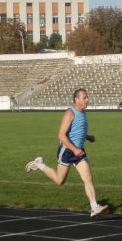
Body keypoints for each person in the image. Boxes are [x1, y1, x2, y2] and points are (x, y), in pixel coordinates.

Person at [25, 88, 109, 218]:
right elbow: (61, 135)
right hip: (67, 151)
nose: (87, 100)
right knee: (60, 181)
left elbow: (77, 130)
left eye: (87, 97)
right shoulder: (70, 113)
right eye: (85, 97)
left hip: (79, 151)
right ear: (77, 99)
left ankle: (94, 207)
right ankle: (40, 164)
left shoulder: (83, 113)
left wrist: (88, 137)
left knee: (88, 178)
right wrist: (74, 149)